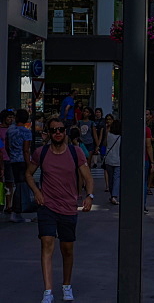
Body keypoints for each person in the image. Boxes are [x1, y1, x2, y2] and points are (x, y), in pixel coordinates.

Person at [24, 117, 94, 303]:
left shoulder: (75, 152)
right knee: (47, 243)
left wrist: (89, 196)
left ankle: (66, 285)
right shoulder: (41, 152)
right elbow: (28, 174)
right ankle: (48, 291)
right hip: (47, 206)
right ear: (48, 133)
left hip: (68, 207)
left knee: (67, 248)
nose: (57, 133)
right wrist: (37, 192)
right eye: (54, 130)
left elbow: (88, 177)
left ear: (65, 132)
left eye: (61, 130)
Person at [7, 108, 34, 222]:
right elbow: (26, 150)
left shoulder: (10, 130)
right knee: (22, 186)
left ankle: (16, 211)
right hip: (23, 161)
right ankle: (17, 211)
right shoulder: (26, 132)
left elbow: (7, 146)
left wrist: (11, 155)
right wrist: (29, 165)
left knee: (18, 184)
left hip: (13, 160)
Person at [103, 119, 122, 205]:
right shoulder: (121, 137)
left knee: (110, 178)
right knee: (116, 177)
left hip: (108, 159)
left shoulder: (109, 134)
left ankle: (112, 195)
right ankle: (114, 195)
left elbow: (104, 144)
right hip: (118, 159)